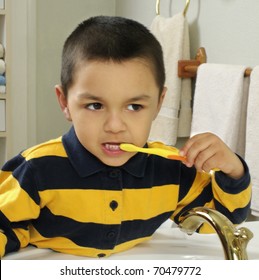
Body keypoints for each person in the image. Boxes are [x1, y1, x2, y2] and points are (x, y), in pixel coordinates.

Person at [0, 16, 251, 258]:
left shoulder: (170, 171)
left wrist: (233, 170)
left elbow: (223, 220)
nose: (115, 126)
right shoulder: (36, 170)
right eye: (95, 106)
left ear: (158, 104)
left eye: (134, 107)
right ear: (65, 102)